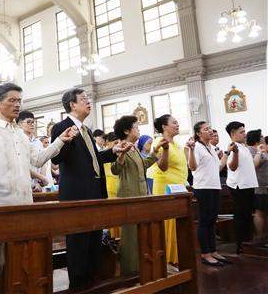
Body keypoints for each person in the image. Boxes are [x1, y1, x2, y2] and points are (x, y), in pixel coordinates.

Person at [0, 83, 78, 293]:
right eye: (12, 100)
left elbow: (37, 160)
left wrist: (59, 141)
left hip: (25, 205)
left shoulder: (20, 134)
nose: (17, 105)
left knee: (22, 261)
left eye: (19, 100)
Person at [50, 88, 130, 290]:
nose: (88, 101)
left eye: (88, 98)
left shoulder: (85, 130)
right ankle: (78, 287)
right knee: (79, 244)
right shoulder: (62, 127)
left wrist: (113, 151)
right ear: (72, 105)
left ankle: (92, 284)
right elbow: (56, 158)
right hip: (76, 195)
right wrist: (66, 140)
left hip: (94, 192)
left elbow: (93, 159)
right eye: (83, 99)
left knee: (94, 241)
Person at [111, 115, 161, 275]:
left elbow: (143, 165)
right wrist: (121, 155)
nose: (139, 130)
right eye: (136, 127)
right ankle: (129, 271)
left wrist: (155, 153)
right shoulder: (119, 146)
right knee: (130, 235)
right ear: (127, 131)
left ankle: (141, 267)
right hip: (129, 195)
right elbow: (115, 169)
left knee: (140, 233)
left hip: (141, 194)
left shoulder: (134, 148)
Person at [187, 121, 230, 266]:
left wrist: (226, 153)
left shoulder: (211, 147)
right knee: (204, 221)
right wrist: (191, 150)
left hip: (214, 186)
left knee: (212, 220)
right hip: (203, 187)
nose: (210, 131)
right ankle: (205, 254)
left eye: (210, 128)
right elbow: (192, 167)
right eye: (206, 129)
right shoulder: (196, 147)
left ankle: (213, 251)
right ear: (198, 133)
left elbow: (218, 167)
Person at [148, 114, 188, 266]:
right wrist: (165, 150)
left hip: (179, 188)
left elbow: (182, 167)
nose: (177, 125)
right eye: (174, 122)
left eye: (177, 122)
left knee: (177, 224)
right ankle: (167, 259)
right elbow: (163, 167)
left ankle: (177, 257)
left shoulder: (177, 144)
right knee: (168, 223)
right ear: (164, 127)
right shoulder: (159, 142)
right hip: (166, 188)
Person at [226, 121, 259, 254]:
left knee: (247, 215)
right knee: (241, 216)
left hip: (248, 185)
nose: (245, 134)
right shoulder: (233, 148)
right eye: (241, 132)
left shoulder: (244, 147)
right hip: (239, 186)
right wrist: (235, 153)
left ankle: (247, 242)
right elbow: (232, 167)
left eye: (244, 131)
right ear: (233, 134)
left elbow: (251, 166)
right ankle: (241, 245)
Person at [16, 110, 51, 191]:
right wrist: (41, 178)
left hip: (38, 184)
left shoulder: (38, 142)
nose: (32, 124)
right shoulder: (18, 140)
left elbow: (43, 162)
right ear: (20, 124)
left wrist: (40, 182)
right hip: (23, 184)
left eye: (33, 122)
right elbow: (22, 165)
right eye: (28, 122)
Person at [250, 134, 268, 242]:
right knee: (260, 212)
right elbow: (254, 165)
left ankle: (265, 236)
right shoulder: (257, 152)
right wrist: (259, 152)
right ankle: (260, 236)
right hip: (261, 187)